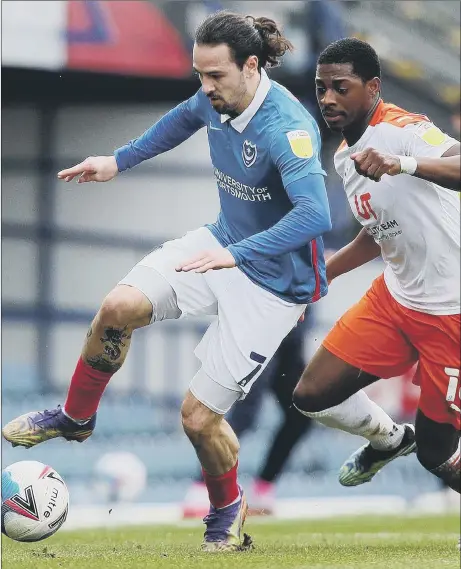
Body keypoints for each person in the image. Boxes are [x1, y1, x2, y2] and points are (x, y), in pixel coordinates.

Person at [2, 11, 333, 551]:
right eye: (199, 75)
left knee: (199, 420)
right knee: (118, 306)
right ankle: (75, 416)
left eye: (215, 76)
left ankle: (227, 511)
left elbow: (314, 217)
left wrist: (238, 255)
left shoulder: (288, 128)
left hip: (274, 287)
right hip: (220, 244)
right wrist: (117, 160)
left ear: (251, 66)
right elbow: (181, 120)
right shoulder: (214, 97)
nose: (205, 88)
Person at [292, 39, 460, 497]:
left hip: (450, 313)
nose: (327, 98)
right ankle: (387, 440)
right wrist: (323, 275)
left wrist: (403, 163)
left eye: (339, 88)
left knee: (437, 454)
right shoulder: (344, 158)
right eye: (321, 88)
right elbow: (377, 233)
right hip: (395, 299)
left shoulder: (404, 129)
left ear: (373, 88)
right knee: (311, 395)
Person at [183, 317, 313, 518]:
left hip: (292, 329)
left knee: (301, 412)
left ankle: (263, 489)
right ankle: (202, 488)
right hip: (263, 324)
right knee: (245, 414)